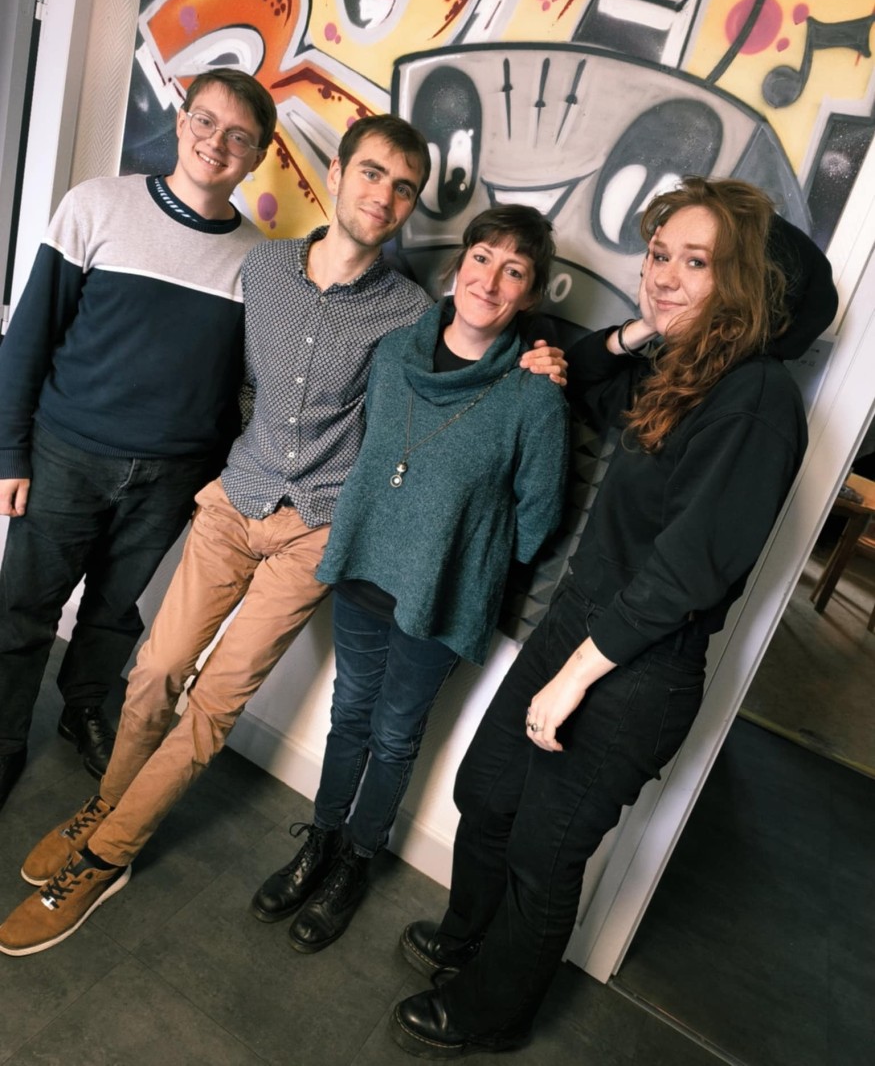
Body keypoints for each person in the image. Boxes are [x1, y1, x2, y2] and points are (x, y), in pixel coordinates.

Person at [0, 117, 564, 958]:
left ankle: (107, 855)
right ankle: (107, 806)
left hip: (316, 529)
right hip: (235, 498)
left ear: (410, 205)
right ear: (336, 173)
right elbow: (214, 367)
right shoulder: (258, 267)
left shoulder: (411, 311)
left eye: (402, 188)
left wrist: (543, 361)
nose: (382, 195)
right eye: (370, 173)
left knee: (215, 701)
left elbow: (477, 346)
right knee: (153, 668)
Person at [391, 177, 837, 1058]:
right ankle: (465, 939)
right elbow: (583, 374)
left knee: (543, 854)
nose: (662, 275)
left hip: (636, 665)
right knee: (486, 790)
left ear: (742, 283)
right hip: (579, 625)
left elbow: (688, 570)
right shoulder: (683, 369)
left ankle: (492, 1011)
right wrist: (643, 328)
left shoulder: (756, 399)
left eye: (695, 262)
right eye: (658, 254)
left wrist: (572, 677)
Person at [250, 205, 569, 953]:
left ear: (528, 294)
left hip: (443, 593)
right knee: (349, 716)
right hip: (365, 570)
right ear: (458, 266)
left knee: (394, 735)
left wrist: (470, 551)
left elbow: (539, 515)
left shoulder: (534, 393)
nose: (490, 280)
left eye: (514, 271)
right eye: (481, 258)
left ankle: (356, 861)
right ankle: (320, 841)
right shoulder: (395, 351)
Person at [0, 68, 276, 805]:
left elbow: (245, 384)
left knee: (115, 609)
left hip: (171, 476)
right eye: (205, 121)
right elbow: (29, 338)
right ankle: (2, 740)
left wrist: (216, 480)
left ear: (256, 157)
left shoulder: (259, 264)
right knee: (22, 609)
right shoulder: (97, 205)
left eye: (239, 136)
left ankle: (84, 706)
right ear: (181, 122)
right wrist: (8, 452)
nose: (216, 142)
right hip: (65, 453)